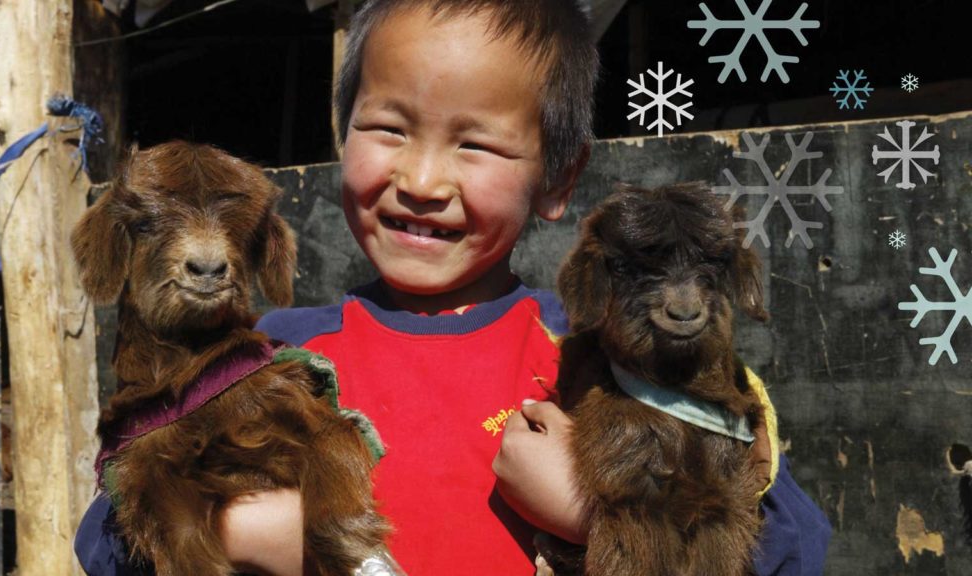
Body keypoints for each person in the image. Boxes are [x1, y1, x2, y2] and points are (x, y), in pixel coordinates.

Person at [75, 1, 831, 574]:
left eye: (475, 143)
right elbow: (105, 538)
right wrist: (252, 529)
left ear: (559, 177)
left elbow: (792, 551)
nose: (422, 181)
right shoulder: (273, 360)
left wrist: (593, 517)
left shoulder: (607, 361)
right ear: (342, 135)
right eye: (388, 129)